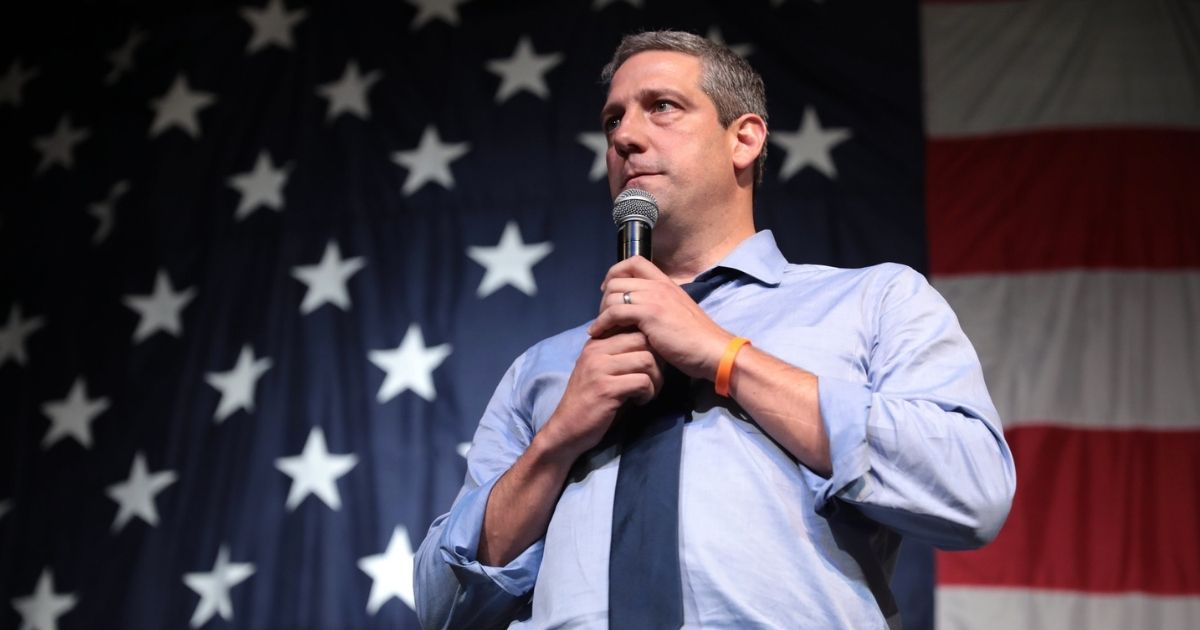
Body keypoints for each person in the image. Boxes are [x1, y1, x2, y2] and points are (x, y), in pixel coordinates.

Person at [414, 30, 1015, 629]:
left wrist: (726, 357)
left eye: (662, 107)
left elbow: (971, 492)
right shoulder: (545, 369)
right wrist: (557, 443)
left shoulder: (873, 300)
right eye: (613, 120)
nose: (625, 135)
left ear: (745, 139)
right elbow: (441, 608)